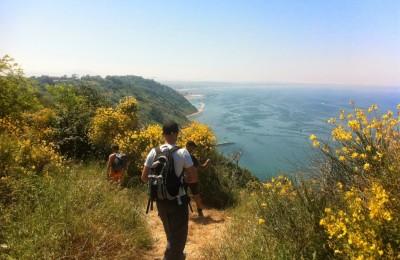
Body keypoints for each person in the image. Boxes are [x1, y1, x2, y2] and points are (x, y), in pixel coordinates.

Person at [141, 121, 197, 260]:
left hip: (160, 201)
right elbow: (194, 178)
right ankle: (173, 256)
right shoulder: (182, 152)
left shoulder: (154, 151)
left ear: (163, 134)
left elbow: (143, 178)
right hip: (178, 201)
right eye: (177, 132)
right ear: (173, 133)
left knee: (170, 233)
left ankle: (176, 254)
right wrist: (183, 178)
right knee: (179, 236)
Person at [185, 141, 210, 217]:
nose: (193, 149)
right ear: (188, 146)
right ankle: (200, 213)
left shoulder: (180, 155)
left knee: (182, 195)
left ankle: (182, 213)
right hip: (192, 179)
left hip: (183, 179)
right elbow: (202, 167)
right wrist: (208, 162)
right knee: (196, 196)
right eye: (193, 147)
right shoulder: (192, 157)